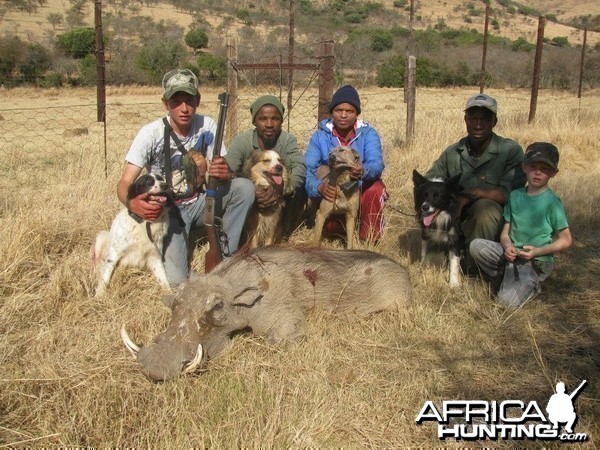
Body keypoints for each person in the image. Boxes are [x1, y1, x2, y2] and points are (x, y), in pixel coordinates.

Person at [117, 68, 255, 286]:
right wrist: (131, 203)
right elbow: (125, 183)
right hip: (167, 212)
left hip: (200, 202)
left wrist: (224, 173)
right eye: (176, 101)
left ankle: (227, 255)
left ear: (198, 100)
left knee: (244, 188)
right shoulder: (150, 133)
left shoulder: (208, 126)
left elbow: (224, 170)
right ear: (165, 103)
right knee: (176, 282)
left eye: (189, 100)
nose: (183, 108)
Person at [426, 93, 526, 273]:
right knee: (431, 266)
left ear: (494, 121)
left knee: (485, 209)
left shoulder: (510, 151)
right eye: (473, 118)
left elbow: (510, 193)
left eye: (485, 119)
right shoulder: (452, 152)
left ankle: (475, 266)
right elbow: (431, 181)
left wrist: (472, 195)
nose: (478, 124)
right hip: (455, 217)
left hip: (493, 222)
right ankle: (447, 252)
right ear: (465, 120)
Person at [469, 142, 572, 308]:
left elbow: (566, 240)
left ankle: (533, 285)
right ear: (524, 167)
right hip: (513, 255)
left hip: (535, 260)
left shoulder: (552, 203)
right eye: (533, 166)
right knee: (476, 246)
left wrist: (538, 251)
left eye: (545, 169)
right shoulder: (515, 196)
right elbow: (505, 232)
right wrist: (508, 246)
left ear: (553, 173)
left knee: (504, 304)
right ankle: (508, 276)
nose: (538, 172)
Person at [305, 85, 388, 243]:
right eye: (338, 110)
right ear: (332, 112)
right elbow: (308, 169)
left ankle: (369, 234)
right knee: (331, 231)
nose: (343, 115)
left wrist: (364, 171)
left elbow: (377, 163)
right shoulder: (320, 136)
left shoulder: (368, 134)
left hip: (360, 187)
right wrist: (318, 187)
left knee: (375, 189)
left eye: (349, 111)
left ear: (356, 113)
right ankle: (341, 226)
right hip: (334, 190)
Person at [224, 95, 307, 239]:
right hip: (251, 192)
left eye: (275, 118)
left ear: (281, 121)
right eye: (263, 119)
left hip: (280, 195)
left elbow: (299, 167)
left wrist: (282, 190)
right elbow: (228, 168)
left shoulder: (287, 140)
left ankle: (284, 230)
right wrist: (252, 192)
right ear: (254, 121)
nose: (269, 124)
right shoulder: (243, 140)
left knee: (301, 187)